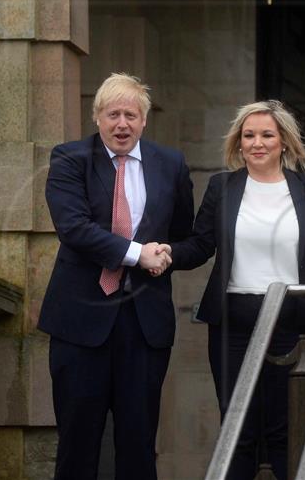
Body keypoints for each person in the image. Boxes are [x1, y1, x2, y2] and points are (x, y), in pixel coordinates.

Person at [38, 73, 194, 479]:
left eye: (131, 114)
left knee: (139, 445)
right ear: (97, 118)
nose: (121, 123)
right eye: (113, 115)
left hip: (144, 327)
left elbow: (182, 233)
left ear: (144, 121)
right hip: (80, 324)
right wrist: (138, 254)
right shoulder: (69, 159)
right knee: (77, 444)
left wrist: (165, 254)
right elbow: (74, 229)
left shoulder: (171, 164)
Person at [174, 100, 305, 480]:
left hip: (289, 321)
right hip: (232, 323)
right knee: (237, 429)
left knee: (282, 429)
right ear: (238, 141)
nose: (257, 143)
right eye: (249, 135)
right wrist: (165, 253)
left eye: (267, 135)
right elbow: (201, 244)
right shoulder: (221, 187)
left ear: (283, 142)